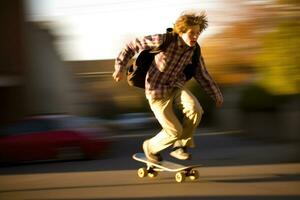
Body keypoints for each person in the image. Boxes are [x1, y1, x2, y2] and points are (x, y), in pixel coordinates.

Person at [113, 11, 223, 163]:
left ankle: (180, 146)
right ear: (181, 31)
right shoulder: (163, 40)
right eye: (192, 33)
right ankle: (150, 148)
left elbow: (201, 73)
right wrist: (120, 68)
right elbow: (132, 45)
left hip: (175, 86)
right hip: (156, 92)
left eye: (198, 33)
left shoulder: (194, 50)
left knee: (195, 109)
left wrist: (216, 94)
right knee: (174, 131)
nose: (195, 36)